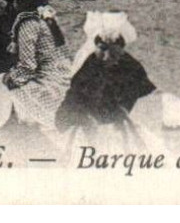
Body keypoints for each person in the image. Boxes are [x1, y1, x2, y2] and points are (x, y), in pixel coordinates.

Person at [56, 12, 159, 151]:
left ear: (121, 49)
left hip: (118, 127)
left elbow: (140, 99)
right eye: (102, 49)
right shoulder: (89, 66)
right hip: (89, 126)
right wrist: (76, 116)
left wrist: (121, 114)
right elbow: (74, 94)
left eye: (113, 51)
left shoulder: (131, 67)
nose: (106, 56)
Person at [3, 0, 71, 132]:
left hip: (46, 85)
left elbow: (28, 67)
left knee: (2, 89)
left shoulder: (28, 24)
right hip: (63, 78)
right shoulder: (49, 18)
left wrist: (6, 80)